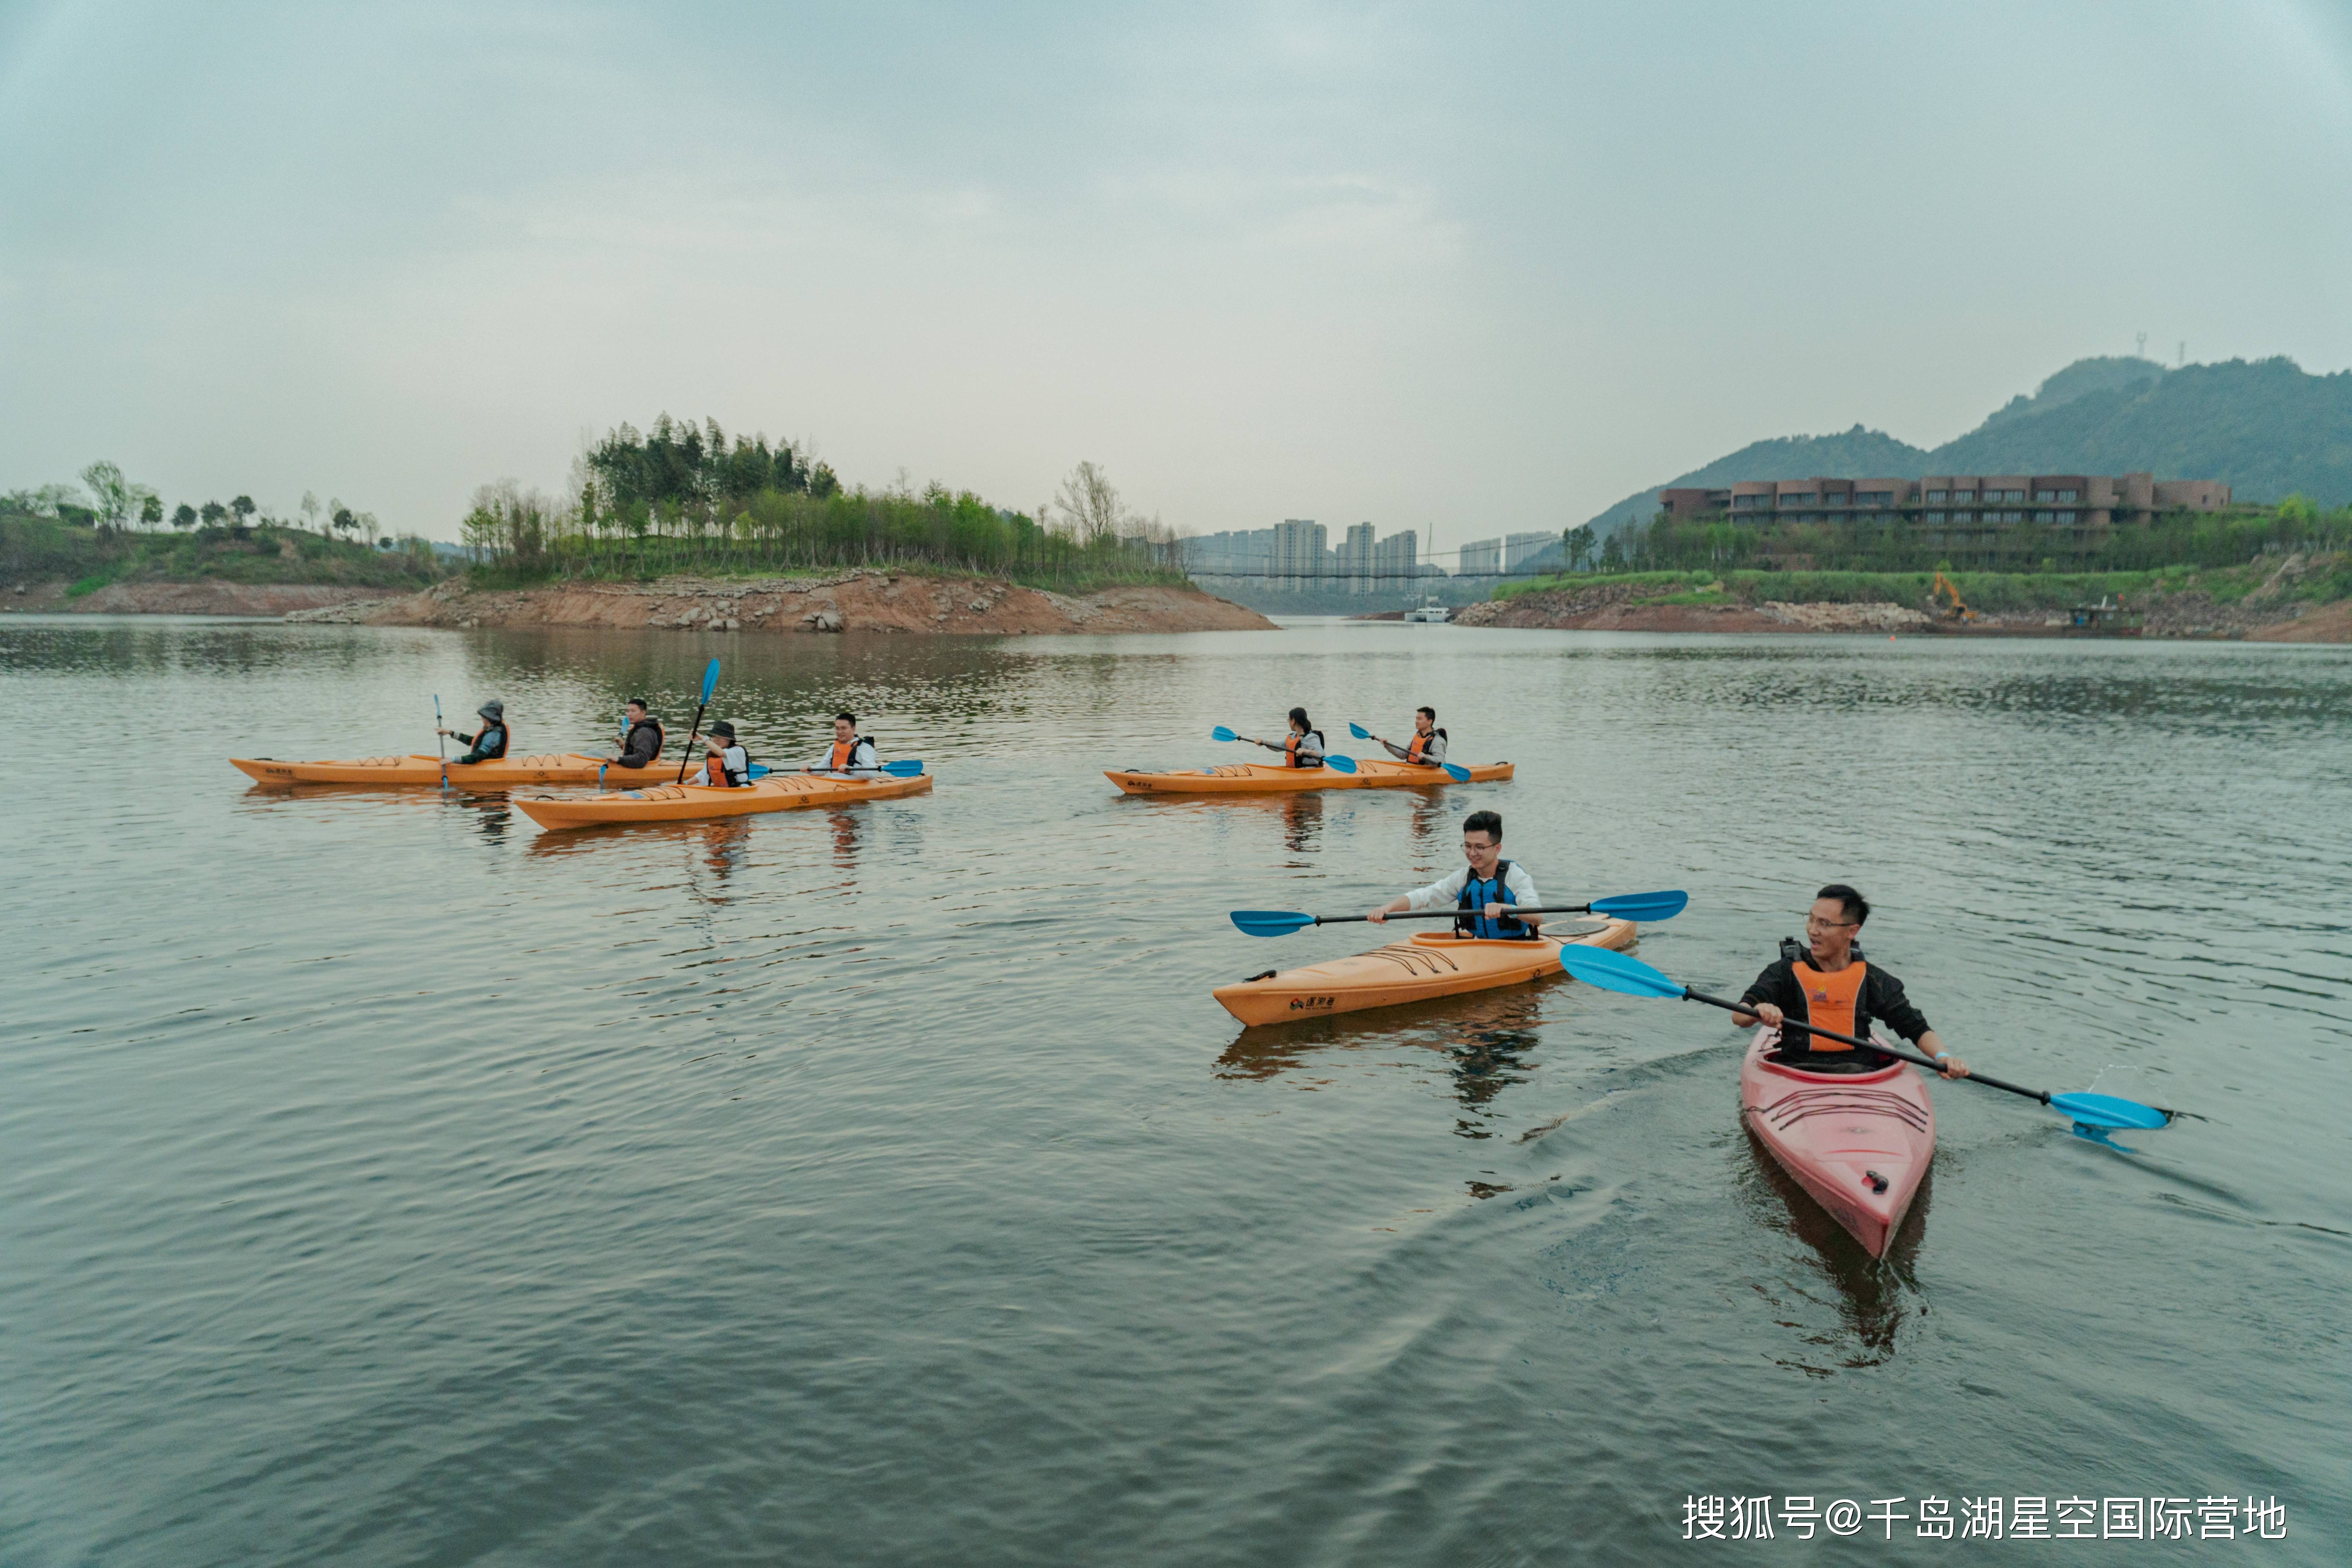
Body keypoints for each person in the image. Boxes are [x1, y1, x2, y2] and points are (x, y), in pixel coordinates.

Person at [1736, 884, 1969, 1079]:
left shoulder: (1872, 979)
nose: (1813, 930)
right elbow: (1740, 1016)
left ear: (1852, 931)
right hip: (1795, 1070)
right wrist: (1759, 1011)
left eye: (1824, 924)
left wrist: (1944, 1058)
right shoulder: (1785, 972)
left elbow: (1915, 1027)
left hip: (1859, 1074)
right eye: (1811, 919)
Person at [1366, 809, 1541, 939]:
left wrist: (1508, 909)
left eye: (1480, 847)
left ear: (1498, 848)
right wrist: (1387, 909)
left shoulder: (1516, 876)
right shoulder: (1464, 877)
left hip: (1517, 947)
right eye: (1468, 846)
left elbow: (1537, 917)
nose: (1472, 853)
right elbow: (1425, 896)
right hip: (1478, 945)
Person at [1369, 706, 1447, 768]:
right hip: (1412, 770)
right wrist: (1387, 745)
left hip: (1426, 773)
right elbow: (1403, 755)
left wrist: (1426, 757)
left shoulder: (1438, 741)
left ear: (1430, 722)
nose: (1416, 721)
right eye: (1416, 719)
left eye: (1420, 719)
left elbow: (1441, 761)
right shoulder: (1418, 737)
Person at [437, 700, 508, 763]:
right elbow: (473, 741)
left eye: (483, 717)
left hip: (489, 768)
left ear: (489, 719)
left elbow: (476, 758)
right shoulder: (493, 728)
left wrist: (453, 760)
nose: (482, 718)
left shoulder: (493, 736)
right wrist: (450, 733)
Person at [605, 699, 664, 772]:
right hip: (638, 765)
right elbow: (640, 751)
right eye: (628, 711)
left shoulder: (644, 732)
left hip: (642, 769)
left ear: (643, 713)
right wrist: (623, 746)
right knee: (593, 752)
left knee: (592, 753)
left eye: (633, 711)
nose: (629, 714)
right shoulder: (640, 728)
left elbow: (641, 760)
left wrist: (618, 759)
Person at [810, 711, 878, 775]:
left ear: (853, 729)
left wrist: (850, 770)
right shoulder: (834, 747)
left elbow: (871, 774)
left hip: (854, 784)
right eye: (837, 729)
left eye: (843, 728)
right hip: (834, 782)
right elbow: (823, 768)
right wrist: (810, 769)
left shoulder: (865, 748)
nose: (840, 732)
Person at [699, 720, 752, 787]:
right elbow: (703, 775)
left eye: (720, 736)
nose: (716, 739)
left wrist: (703, 738)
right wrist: (686, 783)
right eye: (714, 736)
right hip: (722, 791)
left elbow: (721, 753)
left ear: (729, 739)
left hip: (740, 790)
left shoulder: (738, 751)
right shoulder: (713, 754)